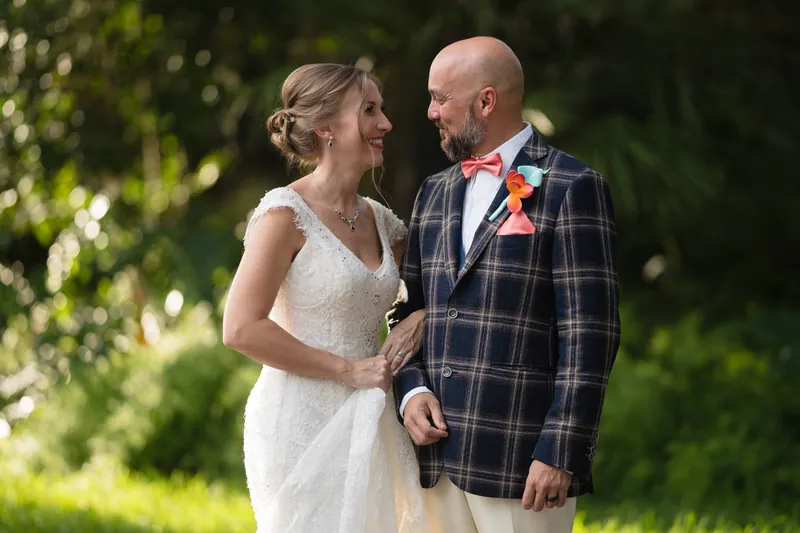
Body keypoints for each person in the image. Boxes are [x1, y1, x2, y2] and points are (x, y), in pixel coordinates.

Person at [390, 37, 621, 533]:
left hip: (523, 461)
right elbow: (406, 312)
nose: (430, 112)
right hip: (435, 460)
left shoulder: (571, 186)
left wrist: (561, 448)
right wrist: (410, 392)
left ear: (486, 101)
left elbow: (591, 333)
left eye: (439, 97)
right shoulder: (433, 192)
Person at [222, 63, 429, 533]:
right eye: (370, 111)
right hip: (301, 418)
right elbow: (240, 328)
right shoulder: (284, 214)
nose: (386, 124)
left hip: (373, 412)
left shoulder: (381, 220)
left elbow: (436, 286)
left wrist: (424, 315)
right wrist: (348, 370)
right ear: (326, 129)